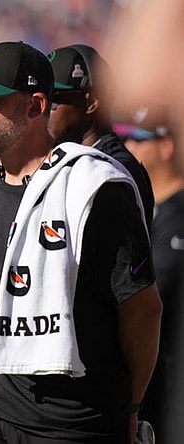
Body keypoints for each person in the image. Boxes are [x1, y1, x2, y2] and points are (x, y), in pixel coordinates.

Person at [0, 41, 162, 443]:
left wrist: (129, 408)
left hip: (72, 419)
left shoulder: (96, 188)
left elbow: (143, 311)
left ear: (35, 105)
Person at [116, 112, 184, 443]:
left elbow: (152, 298)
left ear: (167, 145)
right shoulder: (141, 209)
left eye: (139, 140)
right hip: (150, 385)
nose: (128, 147)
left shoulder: (178, 216)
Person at [46, 44, 155, 225]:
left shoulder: (114, 171)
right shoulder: (71, 157)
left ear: (91, 103)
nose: (44, 110)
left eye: (55, 99)